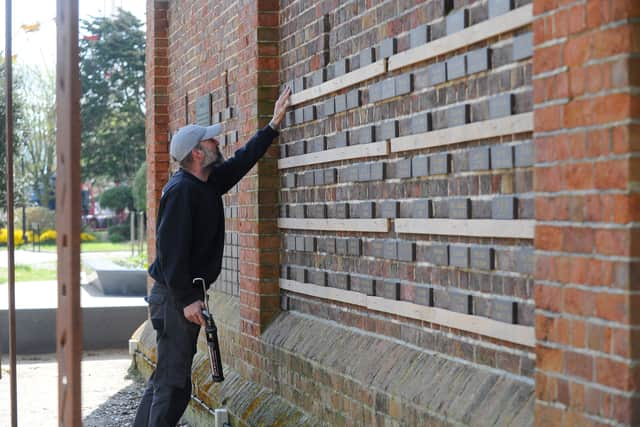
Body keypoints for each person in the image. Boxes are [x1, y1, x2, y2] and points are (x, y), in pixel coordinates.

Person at [133, 86, 291, 426]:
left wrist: (273, 126)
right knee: (174, 385)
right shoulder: (181, 192)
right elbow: (171, 254)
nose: (217, 143)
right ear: (197, 155)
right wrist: (189, 300)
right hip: (175, 299)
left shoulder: (203, 182)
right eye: (210, 142)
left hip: (176, 297)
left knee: (166, 377)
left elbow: (240, 163)